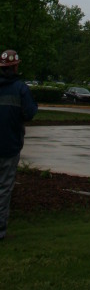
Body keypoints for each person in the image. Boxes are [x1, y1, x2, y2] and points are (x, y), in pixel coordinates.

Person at [0, 49, 38, 240]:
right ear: (15, 67)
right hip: (10, 146)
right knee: (4, 188)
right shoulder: (21, 89)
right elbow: (30, 112)